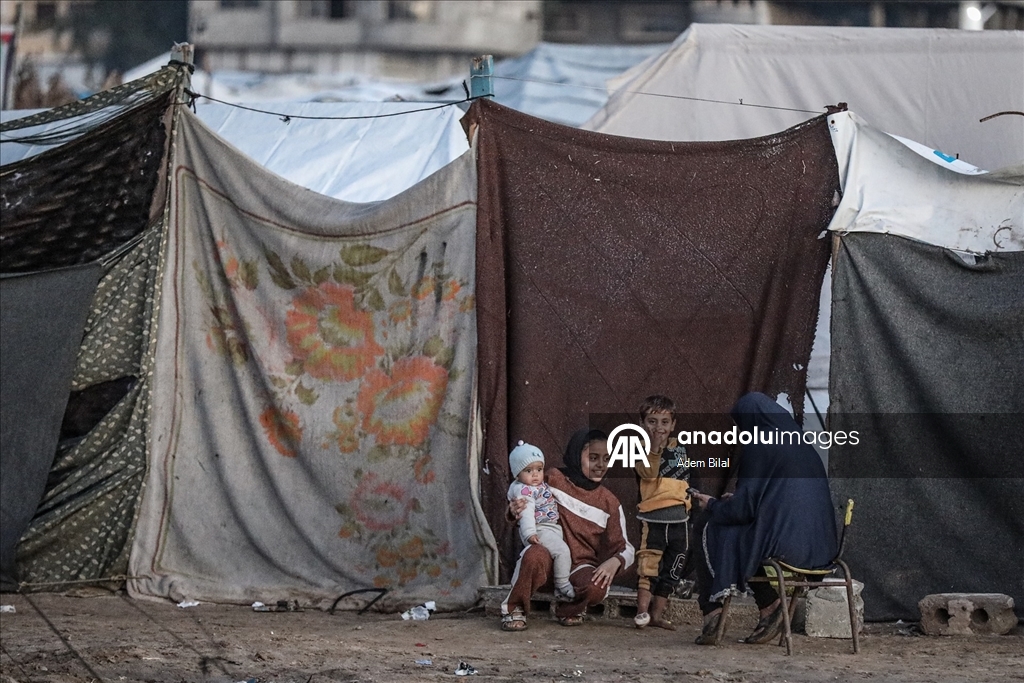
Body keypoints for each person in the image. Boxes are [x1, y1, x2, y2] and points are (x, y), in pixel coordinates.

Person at [690, 392, 838, 645]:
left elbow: (744, 511)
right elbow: (776, 499)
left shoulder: (760, 445)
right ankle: (769, 605)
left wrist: (712, 503)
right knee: (744, 536)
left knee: (707, 525)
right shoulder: (801, 445)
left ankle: (713, 612)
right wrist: (737, 499)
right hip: (822, 547)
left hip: (788, 544)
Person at [500, 428, 635, 631]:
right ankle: (514, 608)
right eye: (593, 457)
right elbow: (524, 489)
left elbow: (627, 548)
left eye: (606, 458)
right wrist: (513, 509)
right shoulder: (553, 479)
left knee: (596, 586)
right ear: (575, 454)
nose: (600, 465)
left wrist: (615, 562)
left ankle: (570, 608)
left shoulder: (609, 502)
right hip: (548, 560)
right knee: (534, 555)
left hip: (579, 569)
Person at [633, 395, 692, 631]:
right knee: (648, 566)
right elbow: (647, 474)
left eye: (665, 422)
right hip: (654, 517)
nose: (659, 428)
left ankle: (656, 615)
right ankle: (641, 614)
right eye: (652, 421)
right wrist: (655, 448)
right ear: (642, 424)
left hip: (680, 518)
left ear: (673, 424)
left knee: (673, 568)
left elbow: (685, 476)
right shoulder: (639, 450)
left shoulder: (680, 449)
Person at [506, 440, 575, 601]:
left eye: (539, 469)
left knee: (557, 554)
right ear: (517, 474)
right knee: (562, 552)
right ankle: (562, 584)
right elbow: (527, 512)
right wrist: (530, 533)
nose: (535, 474)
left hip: (549, 528)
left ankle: (558, 588)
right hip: (539, 529)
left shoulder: (536, 485)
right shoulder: (525, 491)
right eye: (528, 470)